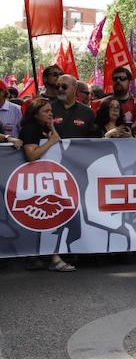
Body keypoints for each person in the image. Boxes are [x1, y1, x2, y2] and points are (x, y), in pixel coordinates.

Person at [19, 97, 74, 272]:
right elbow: (32, 156)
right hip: (35, 183)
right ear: (35, 114)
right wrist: (50, 142)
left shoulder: (44, 129)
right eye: (46, 111)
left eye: (51, 111)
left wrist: (51, 130)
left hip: (46, 181)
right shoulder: (30, 129)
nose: (51, 114)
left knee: (51, 220)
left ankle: (53, 257)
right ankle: (53, 258)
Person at [109, 67, 136, 136]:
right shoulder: (105, 103)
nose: (118, 81)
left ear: (129, 82)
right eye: (115, 78)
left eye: (122, 78)